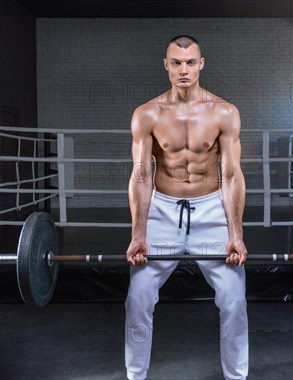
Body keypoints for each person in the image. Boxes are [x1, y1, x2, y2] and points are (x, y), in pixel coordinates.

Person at [124, 35, 249, 380]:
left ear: (201, 64)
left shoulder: (224, 112)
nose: (183, 70)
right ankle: (136, 375)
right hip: (162, 212)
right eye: (176, 63)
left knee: (234, 299)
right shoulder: (146, 114)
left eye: (190, 62)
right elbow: (141, 175)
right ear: (166, 65)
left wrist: (236, 234)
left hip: (211, 213)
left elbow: (232, 175)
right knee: (138, 298)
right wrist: (139, 233)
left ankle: (237, 376)